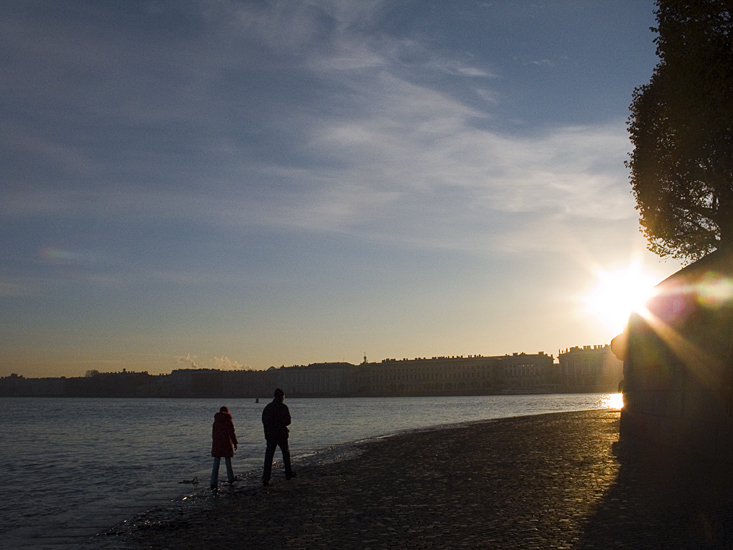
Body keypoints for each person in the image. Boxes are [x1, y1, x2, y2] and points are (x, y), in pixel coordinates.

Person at [261, 388, 296, 486]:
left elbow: (264, 421)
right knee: (285, 454)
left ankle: (266, 478)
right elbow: (288, 422)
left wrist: (267, 432)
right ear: (281, 397)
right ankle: (288, 474)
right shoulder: (283, 407)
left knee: (269, 456)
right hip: (281, 434)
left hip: (270, 435)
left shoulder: (268, 407)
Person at [210, 406, 238, 490]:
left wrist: (214, 443)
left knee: (216, 463)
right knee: (228, 462)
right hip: (226, 443)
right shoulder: (228, 421)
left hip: (217, 443)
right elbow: (231, 433)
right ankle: (231, 478)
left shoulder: (216, 422)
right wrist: (235, 443)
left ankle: (213, 482)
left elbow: (213, 434)